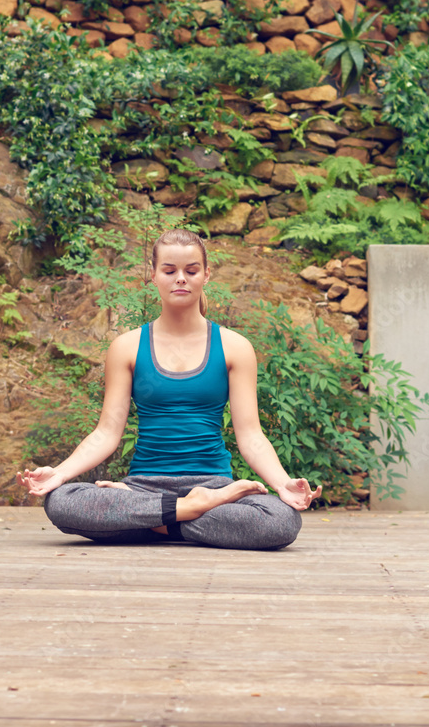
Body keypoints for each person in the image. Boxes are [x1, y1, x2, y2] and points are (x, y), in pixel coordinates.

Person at [17, 229, 322, 550]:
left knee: (280, 520)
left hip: (213, 485)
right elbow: (107, 432)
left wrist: (283, 483)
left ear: (206, 274)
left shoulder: (235, 347)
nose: (181, 279)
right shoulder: (127, 347)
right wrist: (60, 474)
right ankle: (189, 510)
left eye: (191, 271)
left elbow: (251, 436)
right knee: (62, 501)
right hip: (144, 487)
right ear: (153, 275)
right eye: (169, 271)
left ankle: (151, 523)